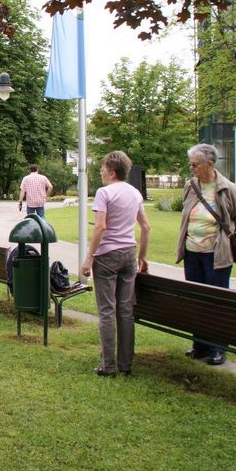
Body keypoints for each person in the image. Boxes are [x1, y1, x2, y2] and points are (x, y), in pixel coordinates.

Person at [176, 143, 236, 366]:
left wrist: (227, 241)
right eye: (191, 164)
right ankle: (200, 345)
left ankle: (218, 348)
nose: (192, 168)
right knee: (197, 300)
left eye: (195, 164)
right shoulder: (191, 186)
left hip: (216, 254)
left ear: (210, 164)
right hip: (192, 252)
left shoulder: (228, 188)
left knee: (217, 301)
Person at [81, 151, 151, 377]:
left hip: (107, 257)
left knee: (107, 311)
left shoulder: (104, 193)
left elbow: (100, 227)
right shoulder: (135, 193)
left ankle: (108, 366)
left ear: (112, 172)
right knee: (125, 310)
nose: (100, 174)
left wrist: (89, 256)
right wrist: (142, 257)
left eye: (102, 170)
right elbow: (146, 227)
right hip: (129, 255)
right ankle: (125, 364)